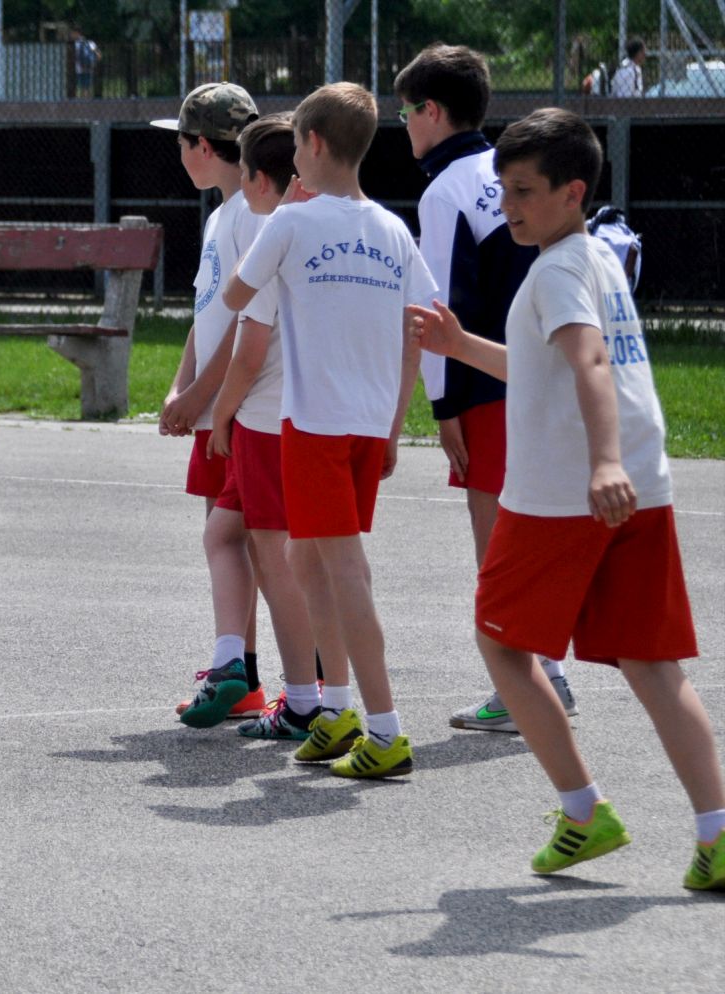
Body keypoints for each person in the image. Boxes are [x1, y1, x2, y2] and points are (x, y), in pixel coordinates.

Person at [408, 107, 725, 890]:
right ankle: (718, 831)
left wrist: (602, 462)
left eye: (523, 190)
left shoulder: (550, 271)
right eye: (503, 188)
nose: (508, 204)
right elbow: (543, 365)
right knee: (655, 666)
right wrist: (458, 346)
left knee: (501, 643)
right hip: (640, 489)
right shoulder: (594, 257)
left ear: (572, 191)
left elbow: (586, 363)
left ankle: (584, 813)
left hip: (564, 494)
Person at [223, 82, 438, 780]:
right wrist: (394, 425)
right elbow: (419, 332)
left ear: (311, 145)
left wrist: (281, 222)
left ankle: (385, 729)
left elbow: (234, 297)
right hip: (365, 422)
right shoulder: (391, 228)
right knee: (307, 559)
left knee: (343, 570)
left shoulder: (290, 222)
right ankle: (337, 706)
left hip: (313, 422)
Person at [394, 43, 581, 734]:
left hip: (482, 385)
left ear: (433, 112)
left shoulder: (444, 191)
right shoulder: (513, 173)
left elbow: (443, 310)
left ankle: (532, 683)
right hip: (542, 370)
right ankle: (546, 673)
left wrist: (442, 407)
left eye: (407, 111)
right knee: (528, 532)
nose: (404, 124)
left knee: (496, 544)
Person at [150, 82, 269, 727]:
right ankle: (240, 672)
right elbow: (207, 313)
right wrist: (180, 385)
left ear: (201, 145)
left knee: (241, 538)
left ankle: (261, 674)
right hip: (214, 403)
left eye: (180, 141)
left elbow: (251, 315)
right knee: (224, 535)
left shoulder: (253, 210)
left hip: (240, 404)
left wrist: (205, 395)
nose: (179, 153)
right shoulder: (224, 214)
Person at [204, 113, 320, 741]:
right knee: (228, 534)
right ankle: (240, 664)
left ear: (253, 179)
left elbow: (250, 341)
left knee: (280, 561)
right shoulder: (326, 225)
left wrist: (219, 412)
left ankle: (308, 697)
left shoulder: (277, 235)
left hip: (266, 419)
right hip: (301, 416)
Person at [71, 28, 100, 98]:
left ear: (77, 33)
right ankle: (87, 101)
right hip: (89, 67)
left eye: (72, 33)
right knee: (87, 86)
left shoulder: (76, 44)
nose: (71, 35)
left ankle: (81, 102)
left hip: (79, 68)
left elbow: (75, 57)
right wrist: (93, 62)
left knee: (80, 86)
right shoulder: (90, 43)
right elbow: (99, 55)